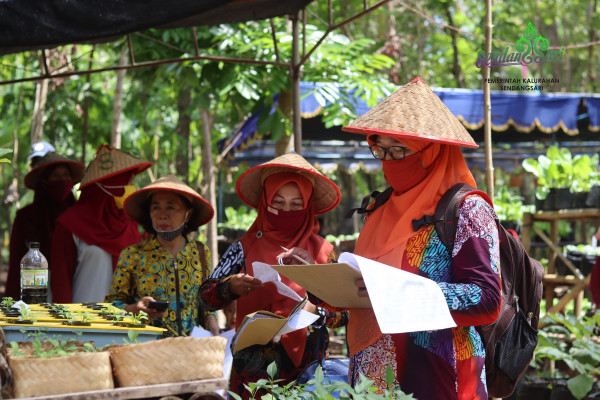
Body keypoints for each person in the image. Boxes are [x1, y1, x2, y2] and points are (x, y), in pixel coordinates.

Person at [280, 77, 502, 399]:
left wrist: (395, 293)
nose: (388, 161)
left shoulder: (467, 209)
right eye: (379, 149)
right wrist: (317, 277)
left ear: (433, 151)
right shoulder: (378, 208)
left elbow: (485, 298)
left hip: (438, 376)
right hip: (371, 379)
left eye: (399, 150)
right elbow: (361, 294)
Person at [199, 153, 348, 399]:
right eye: (278, 203)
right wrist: (231, 287)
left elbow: (346, 314)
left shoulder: (324, 251)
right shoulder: (243, 248)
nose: (286, 211)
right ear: (264, 202)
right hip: (252, 372)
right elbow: (204, 298)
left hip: (310, 371)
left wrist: (318, 308)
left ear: (308, 206)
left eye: (296, 205)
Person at [105, 174, 218, 336]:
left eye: (170, 207)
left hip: (192, 351)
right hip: (147, 350)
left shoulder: (200, 252)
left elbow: (206, 301)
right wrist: (134, 309)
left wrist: (211, 321)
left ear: (189, 214)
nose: (162, 215)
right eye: (156, 207)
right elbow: (111, 306)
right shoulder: (133, 255)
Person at [50, 145, 152, 303]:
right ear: (106, 185)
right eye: (124, 181)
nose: (129, 188)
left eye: (130, 181)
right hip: (82, 322)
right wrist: (66, 324)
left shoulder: (129, 222)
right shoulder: (69, 224)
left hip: (122, 322)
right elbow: (60, 283)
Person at [5, 152, 85, 300]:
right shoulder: (26, 217)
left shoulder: (80, 216)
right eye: (55, 176)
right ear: (44, 181)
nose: (62, 180)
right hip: (37, 291)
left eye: (66, 175)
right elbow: (16, 261)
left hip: (77, 288)